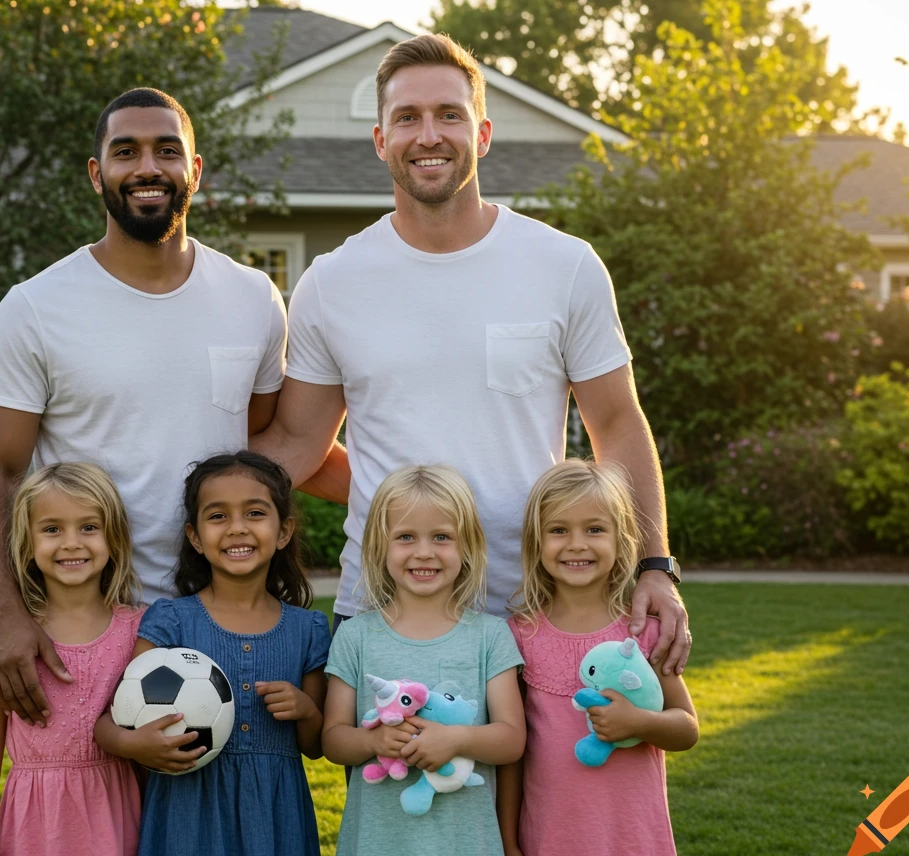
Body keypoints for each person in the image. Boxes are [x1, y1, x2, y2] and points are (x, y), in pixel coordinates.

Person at [250, 33, 692, 673]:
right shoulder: (331, 281)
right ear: (381, 141)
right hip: (385, 608)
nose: (428, 134)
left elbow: (617, 423)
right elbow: (297, 445)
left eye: (448, 115)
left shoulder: (563, 265)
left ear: (482, 134)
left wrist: (654, 564)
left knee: (556, 779)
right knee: (395, 778)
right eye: (407, 117)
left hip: (537, 604)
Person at [0, 87, 347, 729]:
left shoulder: (253, 298)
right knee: (92, 816)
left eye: (167, 150)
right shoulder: (37, 307)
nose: (148, 166)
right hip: (88, 618)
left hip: (220, 612)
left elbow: (267, 448)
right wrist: (8, 615)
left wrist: (399, 497)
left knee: (219, 819)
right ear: (97, 174)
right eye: (126, 151)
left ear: (194, 170)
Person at [94, 451, 331, 856]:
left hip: (275, 820)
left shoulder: (307, 629)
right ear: (196, 537)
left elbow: (317, 747)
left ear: (283, 531)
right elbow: (110, 723)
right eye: (217, 515)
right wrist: (135, 745)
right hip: (186, 815)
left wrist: (305, 710)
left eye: (255, 513)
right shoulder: (171, 621)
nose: (237, 527)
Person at [322, 465, 526, 856]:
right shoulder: (355, 636)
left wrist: (454, 741)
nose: (424, 552)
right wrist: (374, 743)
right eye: (405, 537)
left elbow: (512, 740)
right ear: (379, 547)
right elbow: (333, 740)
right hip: (381, 855)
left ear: (467, 546)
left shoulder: (490, 636)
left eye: (442, 537)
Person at [499, 460, 698, 856]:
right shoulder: (519, 636)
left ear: (620, 539)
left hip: (631, 842)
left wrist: (640, 723)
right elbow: (512, 754)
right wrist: (508, 841)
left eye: (594, 529)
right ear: (536, 542)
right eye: (558, 530)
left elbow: (687, 728)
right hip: (552, 842)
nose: (576, 545)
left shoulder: (642, 630)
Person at [0, 462, 147, 856]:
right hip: (36, 826)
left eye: (88, 527)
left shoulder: (138, 632)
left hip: (117, 813)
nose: (71, 543)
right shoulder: (10, 644)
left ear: (114, 540)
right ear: (26, 545)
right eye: (51, 529)